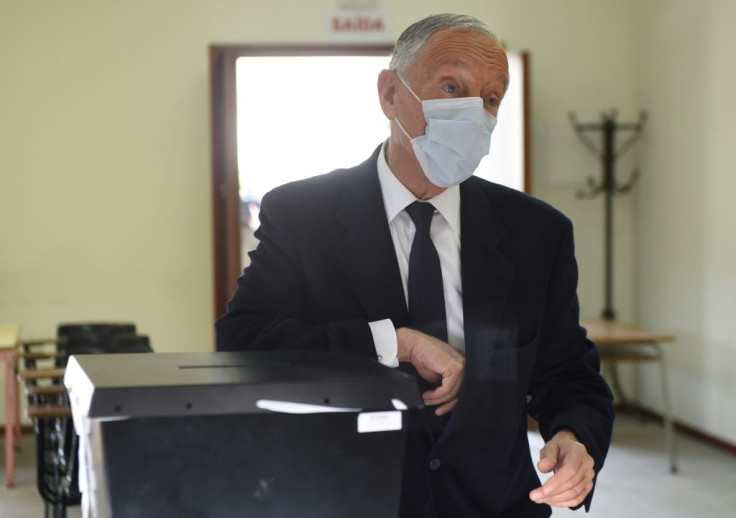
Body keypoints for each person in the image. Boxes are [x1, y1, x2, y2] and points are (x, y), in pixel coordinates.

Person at [216, 13, 614, 518]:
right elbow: (244, 342)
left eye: (490, 98)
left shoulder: (537, 231)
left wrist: (574, 437)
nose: (475, 112)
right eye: (451, 86)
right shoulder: (302, 213)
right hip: (344, 495)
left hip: (492, 502)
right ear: (389, 94)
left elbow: (567, 372)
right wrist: (394, 342)